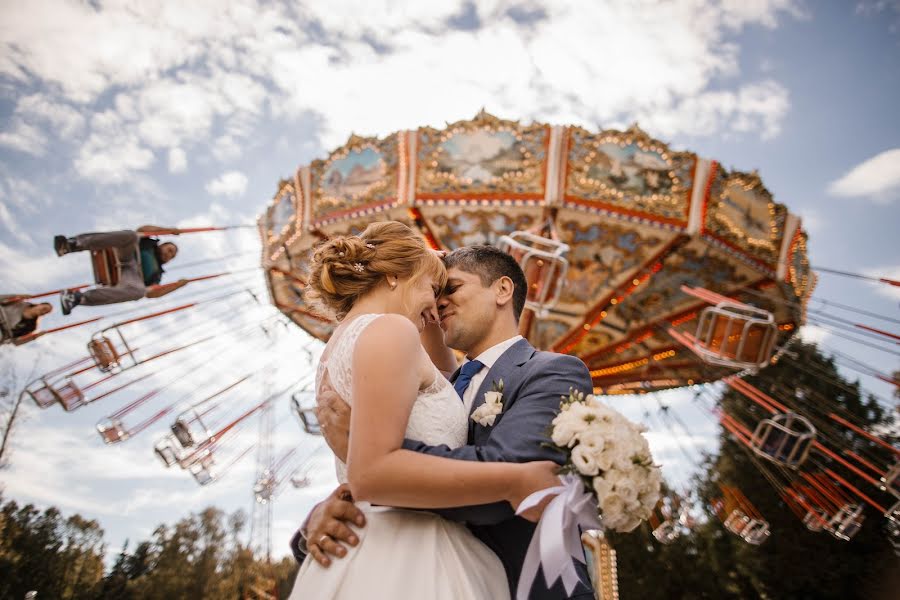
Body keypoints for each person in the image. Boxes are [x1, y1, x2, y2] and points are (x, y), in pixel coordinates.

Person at [294, 244, 596, 600]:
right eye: (433, 291)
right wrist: (327, 512)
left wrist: (366, 460)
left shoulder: (552, 371)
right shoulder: (431, 388)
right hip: (416, 573)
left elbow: (514, 469)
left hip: (522, 585)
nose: (438, 301)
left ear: (502, 289)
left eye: (450, 288)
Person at [54, 226, 187, 314]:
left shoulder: (157, 274)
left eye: (172, 256)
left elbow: (153, 294)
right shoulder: (149, 243)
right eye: (169, 250)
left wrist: (177, 286)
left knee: (140, 292)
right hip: (127, 254)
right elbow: (142, 229)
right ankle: (72, 244)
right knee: (132, 235)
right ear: (162, 245)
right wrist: (167, 230)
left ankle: (78, 298)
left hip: (131, 277)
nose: (169, 255)